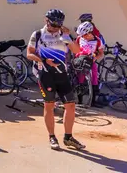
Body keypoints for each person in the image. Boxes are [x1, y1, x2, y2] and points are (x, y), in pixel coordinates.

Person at [27, 9, 85, 150]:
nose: (55, 28)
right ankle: (52, 136)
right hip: (46, 75)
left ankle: (68, 137)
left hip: (62, 74)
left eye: (58, 26)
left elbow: (77, 51)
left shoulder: (63, 34)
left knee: (70, 105)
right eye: (53, 25)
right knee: (49, 105)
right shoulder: (38, 34)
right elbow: (29, 54)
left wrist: (67, 37)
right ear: (46, 21)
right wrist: (45, 60)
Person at [74, 21, 104, 107]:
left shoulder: (97, 40)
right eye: (81, 35)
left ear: (89, 32)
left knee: (94, 80)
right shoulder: (79, 38)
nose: (83, 37)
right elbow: (76, 49)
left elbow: (101, 53)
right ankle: (80, 101)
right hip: (80, 61)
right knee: (80, 80)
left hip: (91, 62)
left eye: (84, 35)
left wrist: (95, 58)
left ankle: (93, 102)